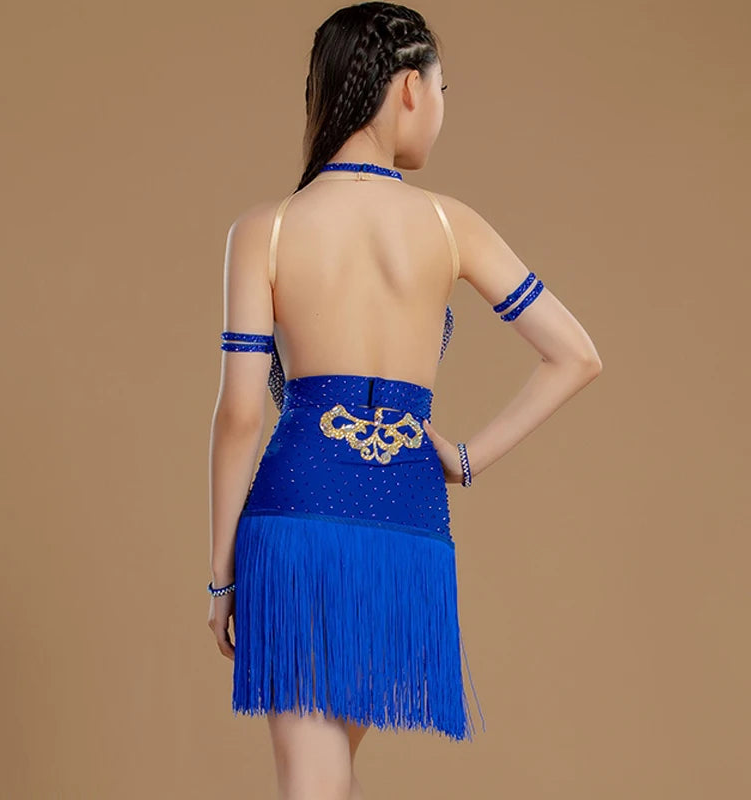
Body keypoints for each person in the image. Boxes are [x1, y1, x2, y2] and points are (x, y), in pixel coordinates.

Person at [207, 2, 602, 797]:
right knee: (333, 776)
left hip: (299, 522)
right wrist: (465, 458)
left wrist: (221, 579)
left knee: (312, 780)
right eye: (442, 89)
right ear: (411, 89)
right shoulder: (451, 226)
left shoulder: (268, 230)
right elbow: (576, 355)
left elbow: (242, 414)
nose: (441, 109)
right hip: (409, 526)